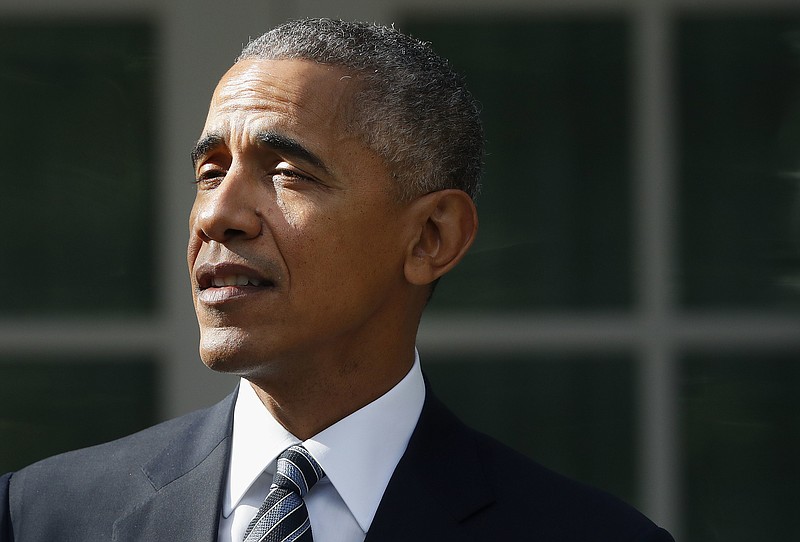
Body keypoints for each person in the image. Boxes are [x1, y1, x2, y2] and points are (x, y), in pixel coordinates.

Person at [1, 18, 674, 542]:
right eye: (209, 173)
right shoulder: (39, 516)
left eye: (287, 173)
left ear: (430, 238)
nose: (217, 214)